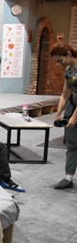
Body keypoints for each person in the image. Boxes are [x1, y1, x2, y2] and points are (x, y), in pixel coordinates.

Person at [49, 34, 77, 190]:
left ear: (68, 54)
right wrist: (58, 113)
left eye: (60, 60)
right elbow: (65, 94)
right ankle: (68, 177)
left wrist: (75, 116)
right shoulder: (68, 70)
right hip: (72, 106)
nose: (58, 64)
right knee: (72, 143)